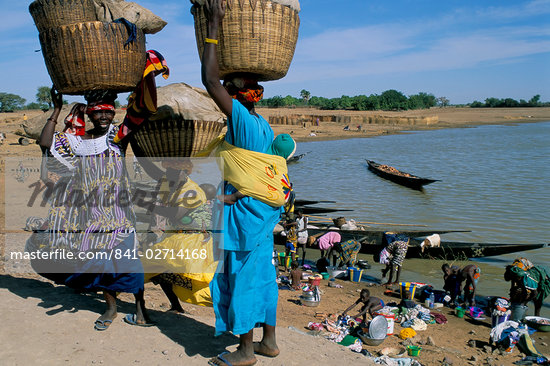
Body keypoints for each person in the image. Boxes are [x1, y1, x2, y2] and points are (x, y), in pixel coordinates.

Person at [34, 50, 169, 331]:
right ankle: (110, 308)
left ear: (114, 113)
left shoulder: (117, 138)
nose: (104, 116)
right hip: (90, 216)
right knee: (102, 263)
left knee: (128, 261)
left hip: (118, 214)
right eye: (98, 112)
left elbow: (142, 111)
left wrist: (145, 78)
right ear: (90, 113)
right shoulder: (76, 142)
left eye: (109, 111)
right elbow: (46, 145)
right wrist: (56, 111)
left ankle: (141, 310)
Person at [200, 1, 295, 364]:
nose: (220, 90)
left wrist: (214, 23)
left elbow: (208, 78)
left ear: (236, 94)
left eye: (227, 89)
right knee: (263, 275)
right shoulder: (263, 124)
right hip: (263, 212)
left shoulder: (240, 120)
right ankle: (269, 342)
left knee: (240, 276)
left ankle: (244, 350)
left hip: (244, 214)